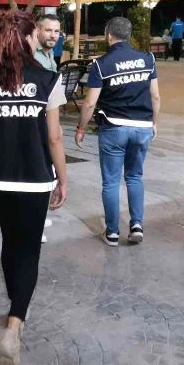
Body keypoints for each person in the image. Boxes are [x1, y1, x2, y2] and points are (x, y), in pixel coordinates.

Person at [0, 9, 68, 363]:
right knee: (29, 250)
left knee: (10, 241)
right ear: (28, 37)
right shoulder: (48, 79)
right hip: (36, 178)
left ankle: (17, 304)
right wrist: (63, 179)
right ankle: (14, 326)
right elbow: (54, 137)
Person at [75, 17, 161, 246]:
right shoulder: (148, 59)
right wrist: (154, 122)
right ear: (129, 35)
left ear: (108, 35)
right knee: (134, 177)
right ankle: (137, 225)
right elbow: (155, 96)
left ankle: (112, 232)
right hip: (142, 128)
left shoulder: (101, 64)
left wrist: (81, 128)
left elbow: (89, 103)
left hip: (114, 128)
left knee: (111, 182)